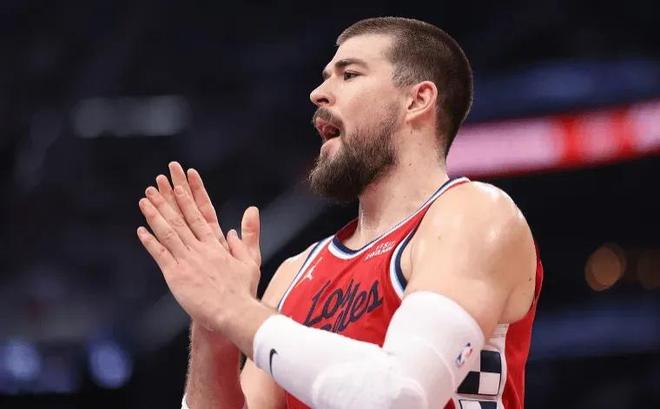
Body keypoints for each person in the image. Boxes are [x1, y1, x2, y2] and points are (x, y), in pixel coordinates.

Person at [137, 17, 542, 409]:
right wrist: (213, 327)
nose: (318, 93)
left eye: (349, 75)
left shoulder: (475, 214)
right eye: (325, 77)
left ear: (417, 100)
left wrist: (234, 309)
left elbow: (400, 397)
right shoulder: (295, 273)